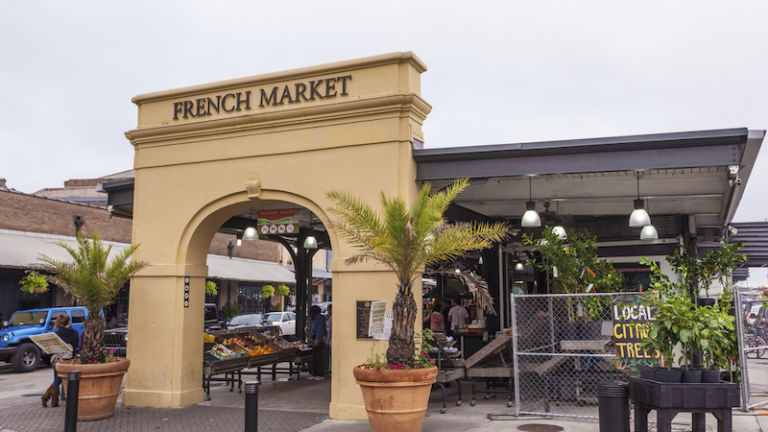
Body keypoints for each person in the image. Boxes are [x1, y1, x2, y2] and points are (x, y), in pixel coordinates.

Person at [42, 314, 79, 408]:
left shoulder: (57, 334)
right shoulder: (74, 333)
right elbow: (75, 345)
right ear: (69, 322)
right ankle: (50, 399)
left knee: (57, 380)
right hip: (67, 360)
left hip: (56, 360)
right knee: (59, 380)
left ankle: (48, 398)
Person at [308, 305, 327, 380]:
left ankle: (319, 374)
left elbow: (320, 330)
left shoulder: (319, 318)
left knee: (319, 357)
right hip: (316, 338)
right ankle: (315, 373)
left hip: (318, 340)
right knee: (316, 357)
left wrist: (317, 340)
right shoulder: (317, 318)